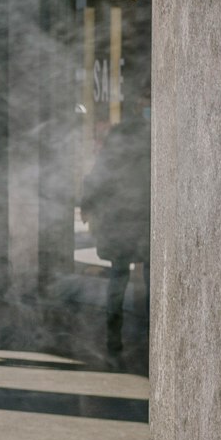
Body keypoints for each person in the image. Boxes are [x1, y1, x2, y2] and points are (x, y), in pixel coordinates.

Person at [81, 102, 150, 366]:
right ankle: (151, 332)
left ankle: (114, 338)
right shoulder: (148, 151)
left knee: (117, 278)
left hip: (120, 226)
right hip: (144, 223)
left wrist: (87, 205)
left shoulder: (112, 153)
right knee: (150, 278)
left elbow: (95, 181)